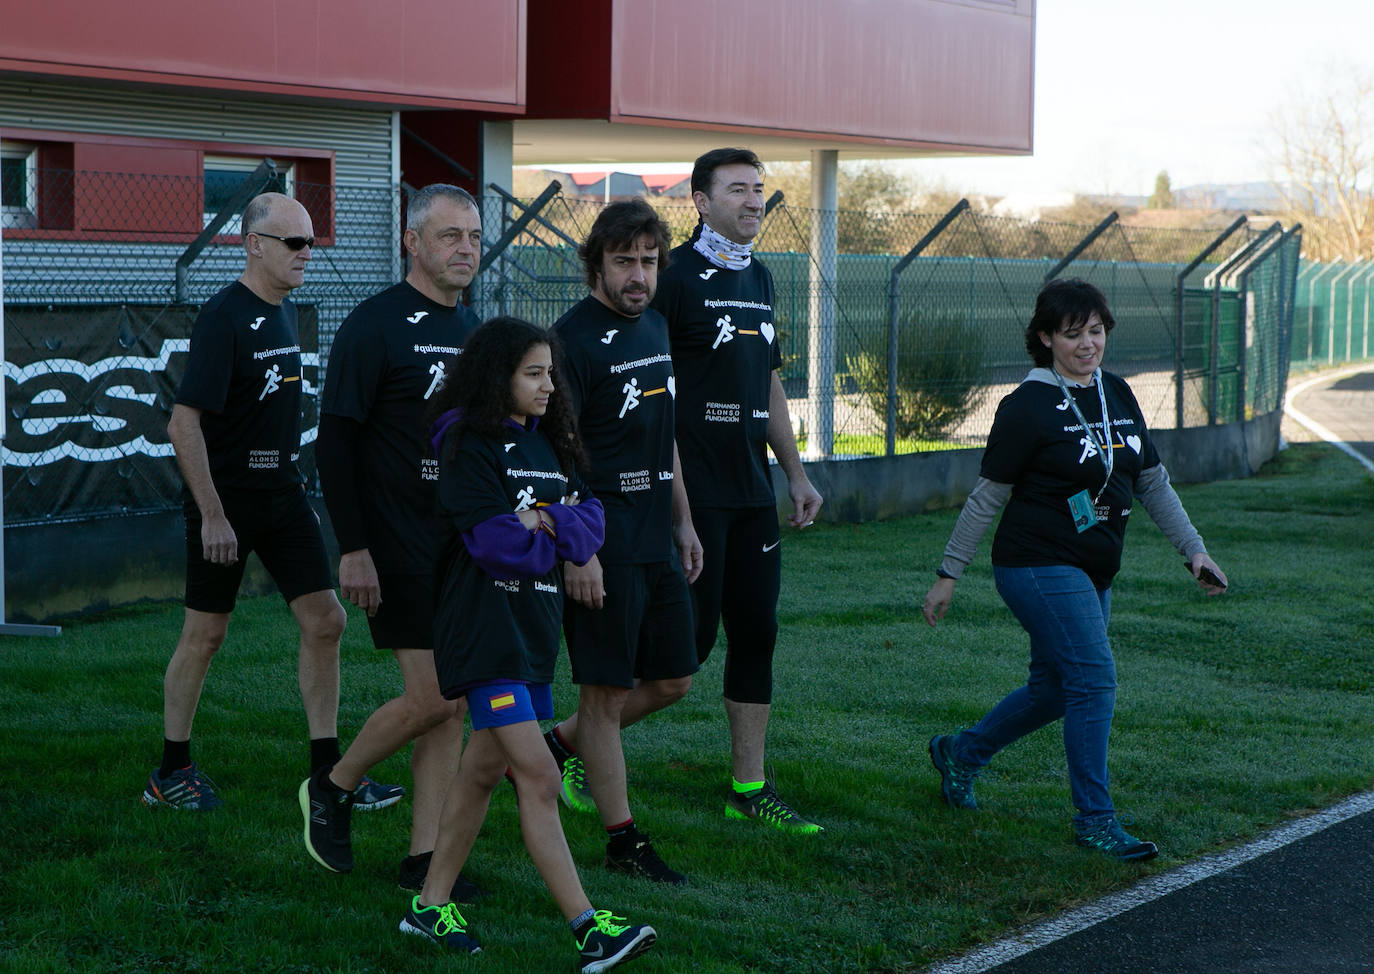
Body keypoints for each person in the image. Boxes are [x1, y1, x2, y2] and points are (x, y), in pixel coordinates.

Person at [921, 277, 1229, 861]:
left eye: (1096, 331)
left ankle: (961, 753)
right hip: (1035, 563)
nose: (1088, 344)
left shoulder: (1118, 393)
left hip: (1094, 568)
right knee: (1094, 679)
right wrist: (948, 573)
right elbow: (988, 496)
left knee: (1056, 690)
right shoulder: (1026, 406)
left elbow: (1151, 482)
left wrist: (1194, 550)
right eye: (1073, 334)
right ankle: (1095, 820)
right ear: (1045, 338)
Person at [402, 316, 658, 973]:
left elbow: (591, 522)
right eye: (533, 374)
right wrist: (552, 526)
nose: (549, 386)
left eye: (551, 373)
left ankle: (428, 908)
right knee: (538, 775)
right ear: (499, 376)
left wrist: (540, 517)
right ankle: (589, 929)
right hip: (483, 632)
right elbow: (492, 546)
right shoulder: (465, 442)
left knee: (482, 771)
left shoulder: (550, 445)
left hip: (534, 632)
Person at [302, 184, 484, 893]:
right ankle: (336, 784)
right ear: (413, 242)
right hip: (393, 541)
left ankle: (424, 859)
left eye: (471, 236)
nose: (464, 249)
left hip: (458, 543)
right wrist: (353, 547)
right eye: (449, 237)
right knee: (435, 697)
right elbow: (335, 444)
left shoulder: (474, 330)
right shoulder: (373, 325)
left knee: (455, 702)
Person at [143, 193, 346, 810]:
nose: (307, 253)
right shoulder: (225, 316)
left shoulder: (282, 310)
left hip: (282, 498)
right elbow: (184, 424)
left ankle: (329, 775)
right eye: (295, 242)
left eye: (311, 242)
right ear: (254, 244)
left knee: (327, 620)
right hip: (226, 506)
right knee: (205, 634)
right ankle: (169, 773)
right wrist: (212, 514)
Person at [651, 147, 824, 834]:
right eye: (737, 190)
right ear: (699, 200)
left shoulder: (762, 279)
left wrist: (796, 473)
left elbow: (769, 382)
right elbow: (653, 393)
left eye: (760, 190)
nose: (754, 201)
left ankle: (749, 788)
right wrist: (677, 505)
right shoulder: (671, 278)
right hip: (693, 492)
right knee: (682, 651)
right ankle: (571, 743)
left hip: (752, 493)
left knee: (758, 633)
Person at [541, 199, 702, 884]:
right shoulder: (567, 343)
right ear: (595, 265)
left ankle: (555, 747)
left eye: (648, 261)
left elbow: (663, 434)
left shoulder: (658, 326)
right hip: (600, 542)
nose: (639, 276)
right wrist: (579, 552)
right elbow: (555, 456)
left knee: (673, 677)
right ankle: (622, 842)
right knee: (604, 695)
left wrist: (684, 520)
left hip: (654, 536)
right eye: (624, 262)